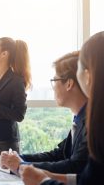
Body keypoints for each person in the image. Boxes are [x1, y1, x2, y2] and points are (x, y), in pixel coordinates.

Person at [19, 31, 104, 185]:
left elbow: (78, 167)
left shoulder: (97, 122)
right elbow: (87, 179)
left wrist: (41, 179)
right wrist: (32, 168)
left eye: (54, 80)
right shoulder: (85, 118)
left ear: (88, 75)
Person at [0, 51, 88, 174]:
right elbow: (59, 154)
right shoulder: (79, 118)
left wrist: (21, 166)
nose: (53, 87)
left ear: (69, 83)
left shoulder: (93, 123)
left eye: (54, 80)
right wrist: (19, 159)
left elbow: (75, 167)